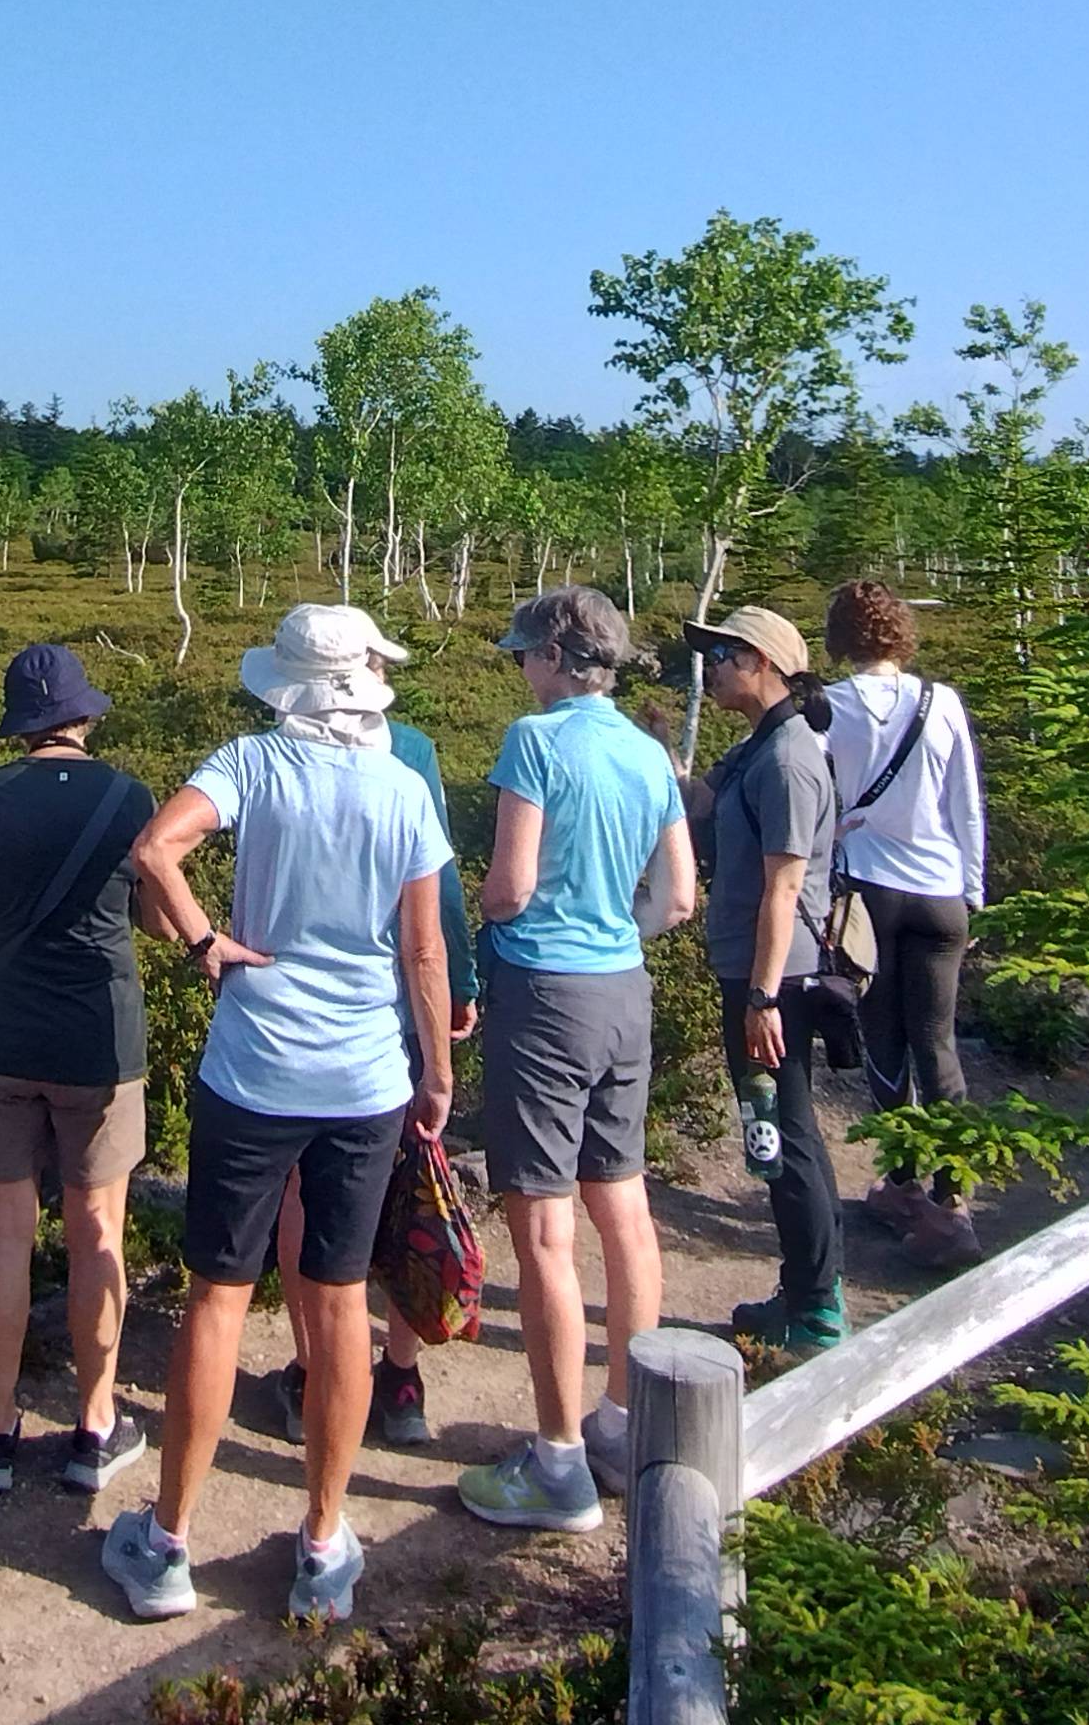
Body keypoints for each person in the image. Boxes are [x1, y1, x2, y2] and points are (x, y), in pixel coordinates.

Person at [101, 604, 454, 1629]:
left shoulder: (251, 764)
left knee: (218, 1297)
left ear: (286, 685)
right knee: (340, 1301)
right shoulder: (403, 790)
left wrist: (206, 944)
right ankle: (321, 1542)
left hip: (252, 1069)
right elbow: (424, 952)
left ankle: (166, 1545)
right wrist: (434, 1072)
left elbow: (154, 848)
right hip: (364, 1081)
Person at [457, 585, 691, 1532]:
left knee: (545, 1231)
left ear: (556, 656)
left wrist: (481, 916)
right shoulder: (647, 751)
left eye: (525, 653)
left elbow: (510, 888)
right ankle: (626, 1424)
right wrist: (611, 937)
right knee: (624, 1207)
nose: (520, 668)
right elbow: (678, 895)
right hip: (623, 993)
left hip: (542, 997)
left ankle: (556, 1464)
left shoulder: (535, 741)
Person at [0, 643, 159, 1500]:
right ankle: (95, 1426)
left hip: (3, 1036)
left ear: (20, 722)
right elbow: (164, 921)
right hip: (100, 1040)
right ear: (84, 716)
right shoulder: (129, 797)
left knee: (5, 1228)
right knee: (99, 1228)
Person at [268, 661, 481, 1451]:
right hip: (395, 1004)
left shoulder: (274, 752)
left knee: (302, 1190)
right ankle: (398, 1374)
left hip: (300, 1010)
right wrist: (459, 984)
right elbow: (442, 891)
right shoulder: (415, 750)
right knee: (406, 1180)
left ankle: (312, 1368)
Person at [690, 602, 850, 1357]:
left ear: (761, 661)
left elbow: (785, 887)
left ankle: (817, 1305)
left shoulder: (787, 759)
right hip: (759, 975)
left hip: (774, 984)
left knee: (782, 1131)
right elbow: (700, 809)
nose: (712, 667)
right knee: (782, 1130)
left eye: (722, 655)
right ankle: (807, 1288)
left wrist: (761, 997)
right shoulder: (763, 746)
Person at [819, 579, 989, 1270]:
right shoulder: (941, 702)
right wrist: (972, 890)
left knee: (885, 1039)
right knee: (938, 1044)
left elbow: (824, 806)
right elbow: (966, 803)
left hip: (871, 893)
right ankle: (953, 1201)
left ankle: (902, 1181)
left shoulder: (828, 709)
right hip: (942, 893)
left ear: (840, 638)